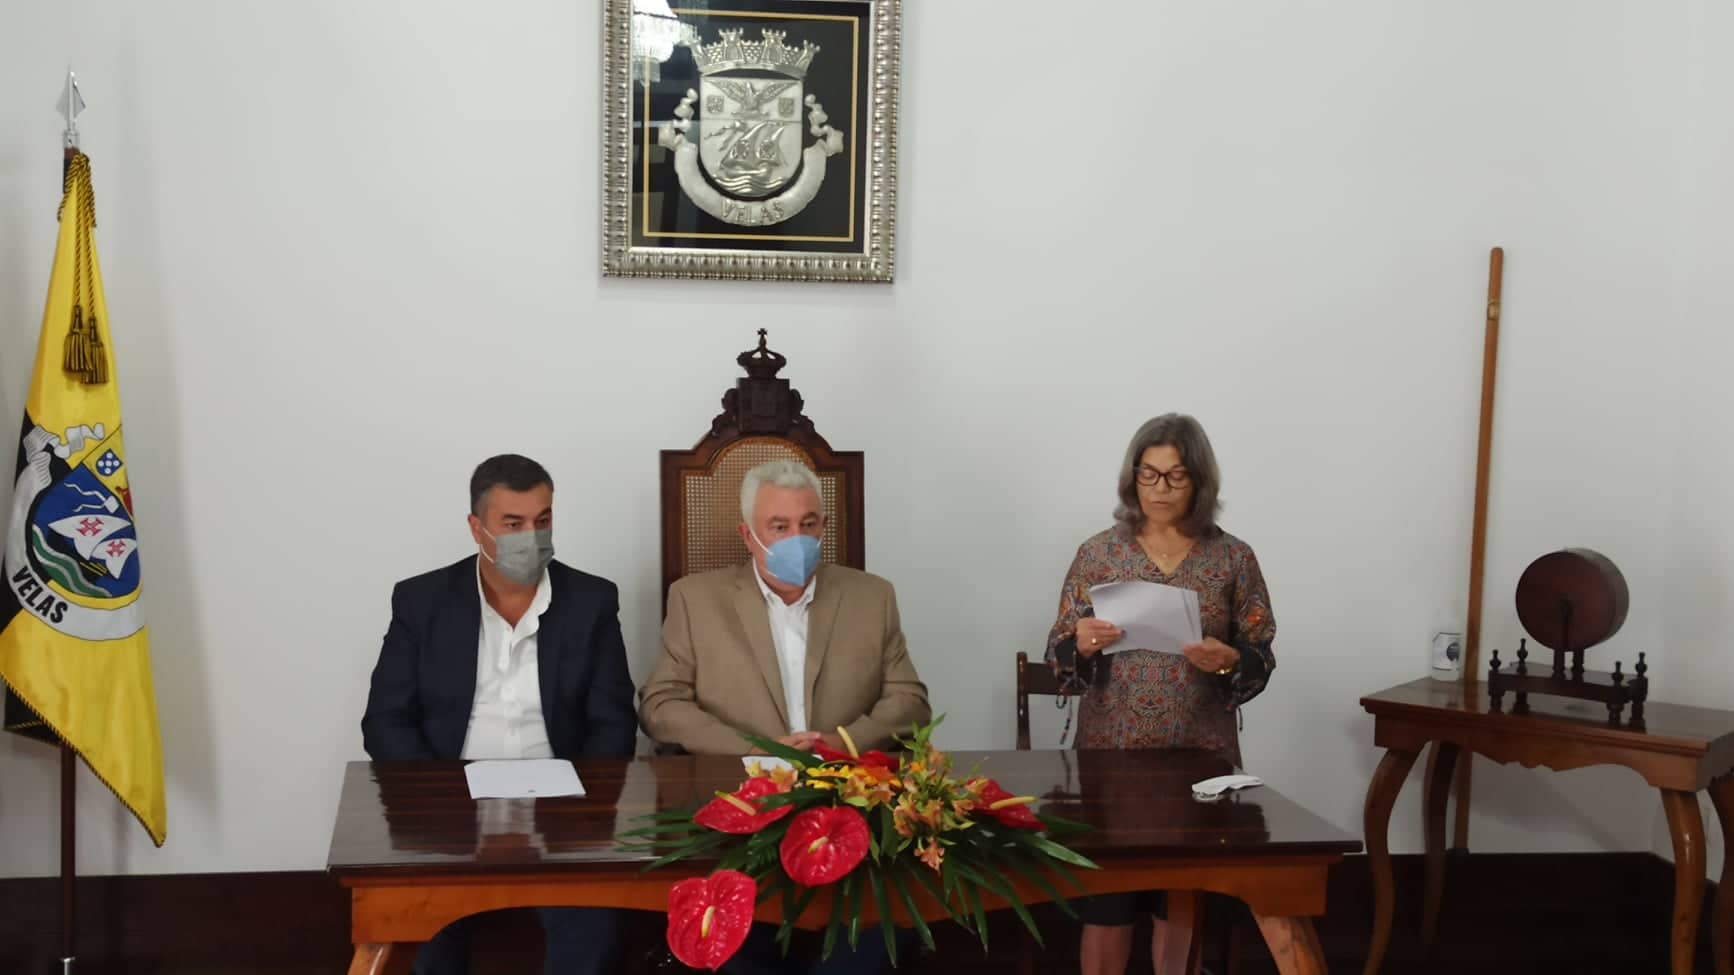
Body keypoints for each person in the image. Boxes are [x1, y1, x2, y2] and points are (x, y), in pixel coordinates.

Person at [639, 458, 929, 973]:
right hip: (739, 811)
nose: (798, 538)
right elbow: (660, 705)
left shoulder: (872, 596)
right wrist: (756, 750)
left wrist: (842, 743)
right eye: (779, 526)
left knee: (866, 947)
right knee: (735, 950)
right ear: (748, 536)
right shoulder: (695, 599)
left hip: (848, 808)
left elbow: (910, 701)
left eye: (808, 524)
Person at [361, 454, 636, 975]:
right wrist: (441, 801)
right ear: (477, 529)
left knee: (592, 928)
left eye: (542, 520)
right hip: (449, 805)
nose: (531, 537)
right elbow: (385, 721)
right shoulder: (421, 600)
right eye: (513, 524)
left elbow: (613, 722)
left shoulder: (592, 600)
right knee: (427, 931)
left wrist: (577, 804)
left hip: (561, 808)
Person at [1044, 414, 1277, 975]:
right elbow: (1059, 658)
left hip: (1199, 760)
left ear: (1199, 481)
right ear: (1132, 478)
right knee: (1109, 903)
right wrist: (1082, 645)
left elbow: (1261, 656)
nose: (1160, 489)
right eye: (1148, 474)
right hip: (1110, 759)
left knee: (1181, 901)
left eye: (1176, 476)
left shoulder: (1233, 558)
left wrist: (1229, 660)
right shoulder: (1099, 554)